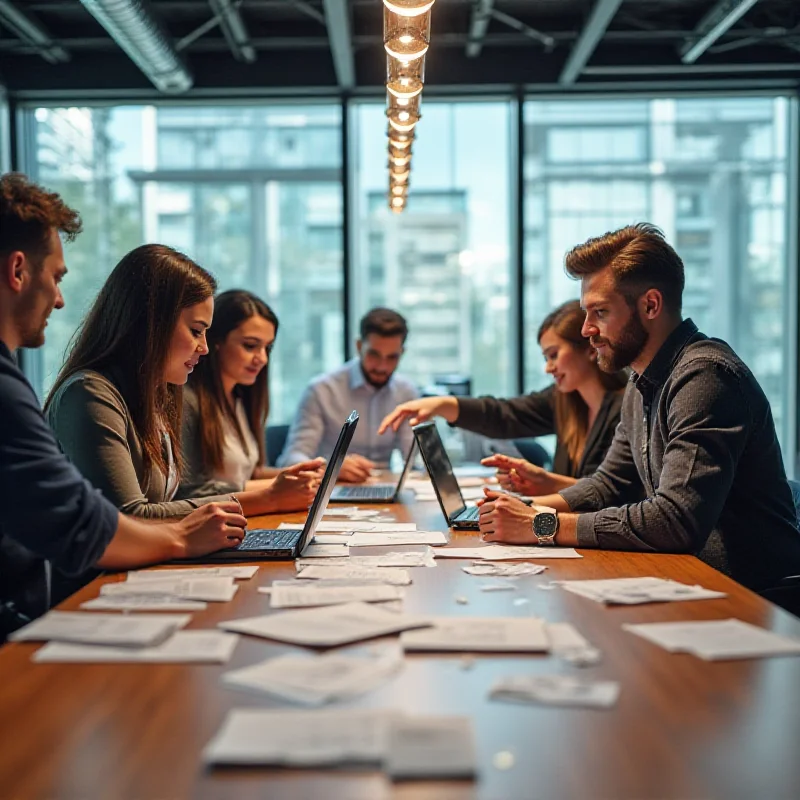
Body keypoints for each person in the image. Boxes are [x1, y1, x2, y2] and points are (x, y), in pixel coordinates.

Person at [477, 223, 800, 591]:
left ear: (650, 305)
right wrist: (524, 508)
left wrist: (540, 525)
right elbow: (609, 485)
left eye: (599, 312)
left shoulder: (706, 378)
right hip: (689, 581)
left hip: (752, 595)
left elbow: (675, 521)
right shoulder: (640, 381)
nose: (586, 329)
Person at [0, 173, 246, 638]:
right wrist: (184, 535)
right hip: (68, 611)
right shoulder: (80, 393)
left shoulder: (154, 396)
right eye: (55, 277)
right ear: (17, 271)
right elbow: (97, 519)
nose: (59, 299)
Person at [46, 245, 323, 519]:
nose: (203, 347)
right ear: (151, 323)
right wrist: (266, 499)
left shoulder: (159, 394)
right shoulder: (89, 393)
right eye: (195, 331)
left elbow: (169, 501)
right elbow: (129, 518)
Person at [379, 300, 627, 495]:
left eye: (553, 355)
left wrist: (547, 485)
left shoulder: (628, 410)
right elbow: (504, 415)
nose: (548, 368)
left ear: (588, 349)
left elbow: (617, 495)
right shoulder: (565, 401)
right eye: (545, 358)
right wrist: (443, 405)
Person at [278, 307, 419, 483]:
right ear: (359, 347)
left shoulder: (406, 392)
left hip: (385, 488)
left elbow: (414, 459)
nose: (382, 367)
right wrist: (330, 467)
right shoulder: (321, 390)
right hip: (331, 489)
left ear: (402, 353)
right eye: (374, 355)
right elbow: (291, 458)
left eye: (392, 357)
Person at [178, 289, 283, 498]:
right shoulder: (189, 401)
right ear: (216, 341)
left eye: (267, 348)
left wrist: (311, 474)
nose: (262, 358)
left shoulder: (240, 397)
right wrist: (274, 491)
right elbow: (188, 491)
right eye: (250, 346)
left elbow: (248, 474)